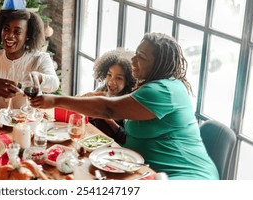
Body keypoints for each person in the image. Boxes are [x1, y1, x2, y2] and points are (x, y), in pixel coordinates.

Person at [30, 32, 220, 180]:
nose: (133, 60)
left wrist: (55, 100)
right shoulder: (153, 85)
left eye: (142, 57)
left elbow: (108, 108)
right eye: (136, 54)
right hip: (142, 170)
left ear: (159, 64)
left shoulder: (163, 90)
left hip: (182, 176)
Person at [0, 9, 59, 116]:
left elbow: (54, 84)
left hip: (30, 122)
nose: (9, 36)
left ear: (28, 35)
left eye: (17, 32)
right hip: (0, 122)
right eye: (6, 29)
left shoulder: (40, 58)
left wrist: (39, 78)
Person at [86, 48, 136, 145]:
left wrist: (109, 120)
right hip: (94, 140)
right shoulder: (102, 90)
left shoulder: (129, 102)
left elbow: (126, 139)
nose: (111, 82)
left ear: (128, 81)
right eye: (109, 75)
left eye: (119, 78)